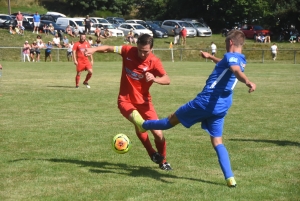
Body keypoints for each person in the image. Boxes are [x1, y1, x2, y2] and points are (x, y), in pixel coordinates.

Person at [131, 30, 256, 185]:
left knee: (170, 121)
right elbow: (229, 66)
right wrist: (210, 57)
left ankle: (143, 124)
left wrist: (248, 81)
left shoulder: (231, 58)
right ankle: (230, 178)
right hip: (222, 106)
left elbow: (236, 71)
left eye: (225, 43)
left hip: (205, 102)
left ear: (230, 42)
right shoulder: (240, 59)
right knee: (217, 142)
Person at [84, 34, 172, 171]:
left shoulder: (154, 61)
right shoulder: (127, 51)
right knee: (140, 123)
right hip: (125, 101)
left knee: (159, 134)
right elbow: (109, 48)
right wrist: (94, 49)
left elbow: (167, 79)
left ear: (152, 49)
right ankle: (151, 152)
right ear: (136, 46)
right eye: (140, 50)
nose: (142, 54)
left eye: (146, 51)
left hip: (144, 102)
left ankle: (163, 161)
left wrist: (155, 79)